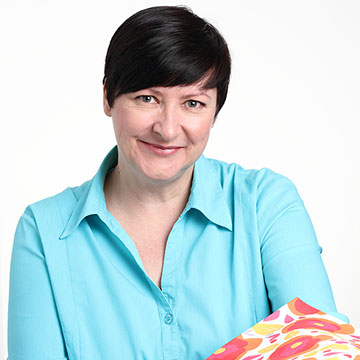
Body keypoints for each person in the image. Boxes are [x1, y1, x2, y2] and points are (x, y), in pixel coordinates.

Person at [7, 5, 348, 360]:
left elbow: (319, 348)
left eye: (193, 103)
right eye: (147, 98)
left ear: (215, 112)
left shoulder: (265, 203)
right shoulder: (44, 231)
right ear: (108, 97)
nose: (168, 129)